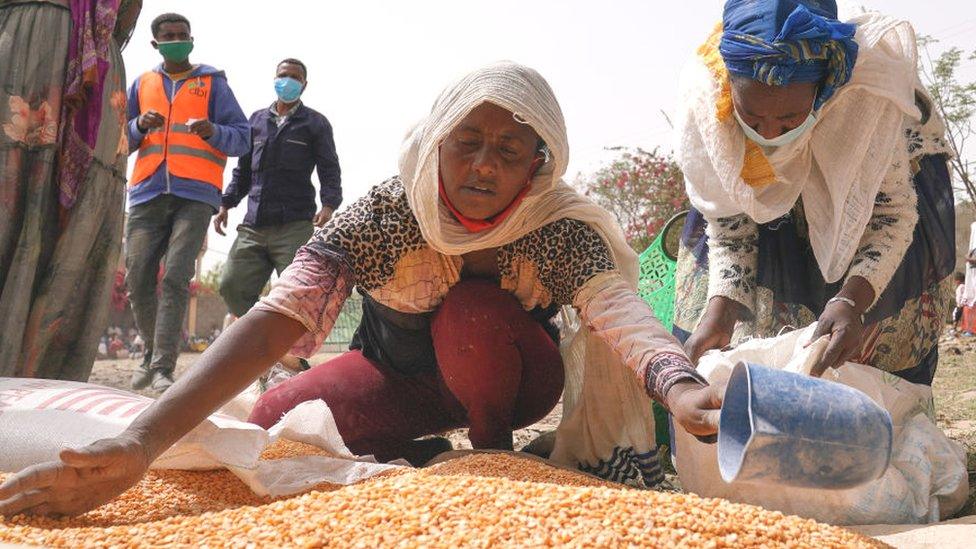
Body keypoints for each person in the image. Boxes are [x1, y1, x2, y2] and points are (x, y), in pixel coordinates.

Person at [0, 62, 721, 518]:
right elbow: (284, 312)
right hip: (401, 376)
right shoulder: (388, 212)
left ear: (538, 165)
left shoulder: (555, 227)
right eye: (466, 141)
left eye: (509, 151)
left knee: (471, 313)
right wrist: (140, 440)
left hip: (511, 377)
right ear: (436, 140)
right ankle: (420, 452)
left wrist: (681, 385)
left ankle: (492, 455)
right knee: (280, 416)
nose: (481, 166)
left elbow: (619, 312)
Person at [672, 0, 956, 385]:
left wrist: (851, 301)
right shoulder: (709, 108)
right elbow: (730, 226)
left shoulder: (865, 103)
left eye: (789, 118)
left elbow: (891, 216)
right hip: (773, 228)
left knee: (861, 355)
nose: (770, 133)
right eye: (753, 118)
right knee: (751, 354)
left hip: (869, 215)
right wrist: (722, 306)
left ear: (824, 89)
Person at [0, 0, 142, 379]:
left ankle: (35, 380)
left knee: (59, 204)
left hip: (55, 53)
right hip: (32, 52)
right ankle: (38, 376)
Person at [124, 12, 249, 392]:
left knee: (177, 277)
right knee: (137, 279)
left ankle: (162, 367)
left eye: (183, 35)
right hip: (146, 192)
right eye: (169, 36)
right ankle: (151, 353)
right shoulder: (142, 83)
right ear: (155, 44)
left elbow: (242, 139)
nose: (177, 40)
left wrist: (214, 131)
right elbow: (119, 140)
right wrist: (138, 127)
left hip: (195, 194)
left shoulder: (213, 83)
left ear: (191, 40)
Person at [215, 58, 342, 320]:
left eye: (295, 77)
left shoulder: (315, 124)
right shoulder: (256, 121)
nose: (288, 81)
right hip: (254, 225)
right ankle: (257, 336)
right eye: (284, 75)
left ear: (304, 85)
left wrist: (329, 205)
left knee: (297, 292)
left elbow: (329, 168)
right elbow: (243, 170)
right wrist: (226, 204)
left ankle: (289, 355)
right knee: (231, 285)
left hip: (294, 225)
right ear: (275, 79)